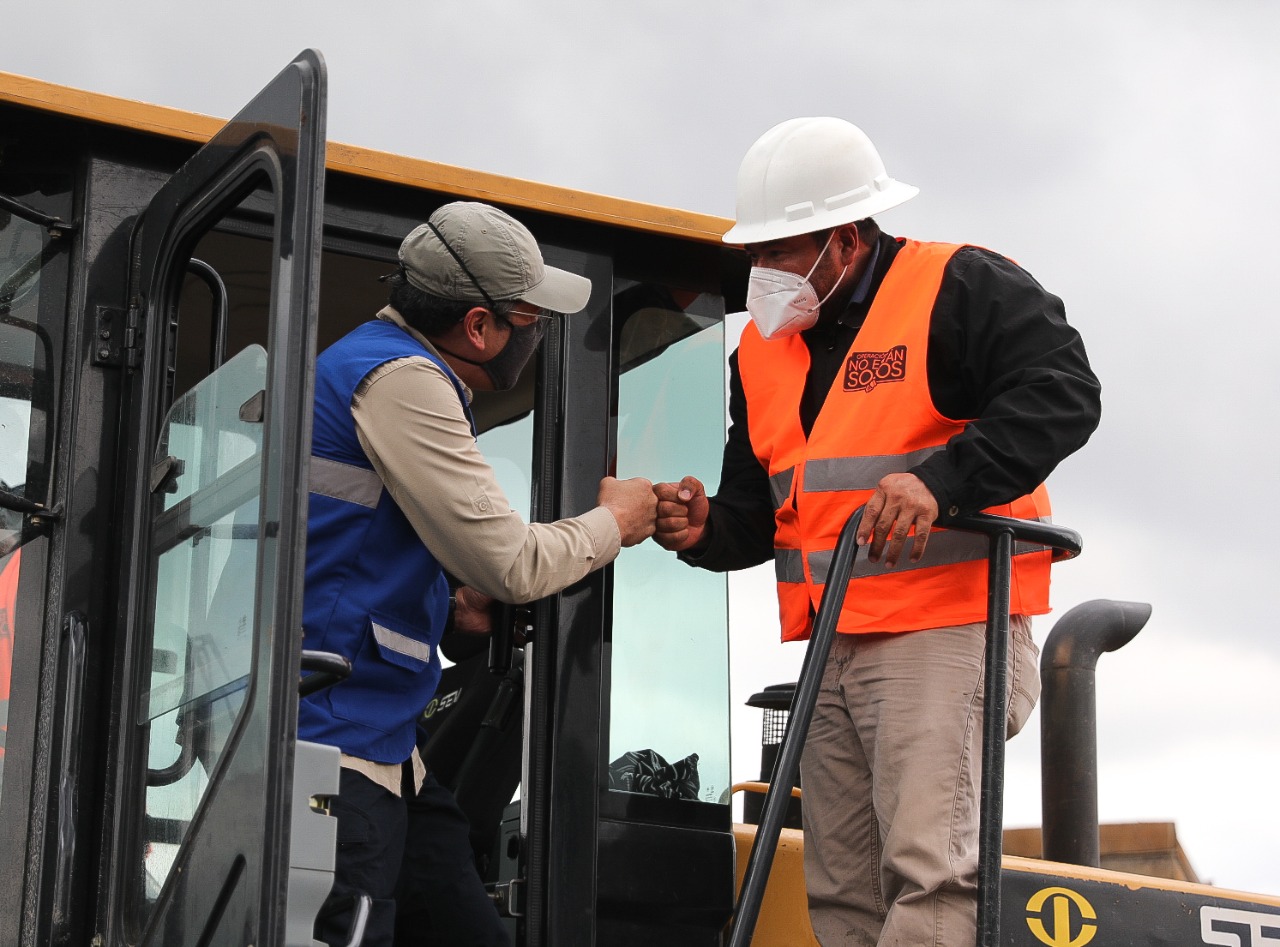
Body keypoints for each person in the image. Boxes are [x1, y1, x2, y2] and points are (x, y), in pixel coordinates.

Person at [653, 117, 1101, 946]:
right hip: (834, 643)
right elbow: (758, 510)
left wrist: (940, 482)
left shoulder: (958, 286)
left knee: (932, 874)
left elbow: (1063, 393)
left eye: (780, 251)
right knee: (841, 890)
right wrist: (704, 526)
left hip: (946, 626)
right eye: (755, 253)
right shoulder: (761, 352)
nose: (762, 273)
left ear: (848, 239)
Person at [301, 201, 657, 946]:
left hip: (389, 750)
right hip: (336, 751)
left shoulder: (373, 366)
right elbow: (512, 561)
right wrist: (616, 523)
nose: (535, 334)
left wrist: (446, 604)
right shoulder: (400, 380)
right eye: (529, 318)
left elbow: (353, 546)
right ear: (477, 326)